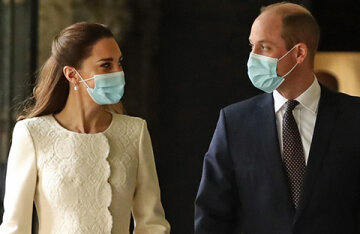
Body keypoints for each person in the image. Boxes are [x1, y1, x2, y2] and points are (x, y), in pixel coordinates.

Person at [195, 2, 360, 234]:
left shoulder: (354, 118)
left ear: (299, 53)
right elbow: (212, 215)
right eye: (252, 46)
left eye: (264, 47)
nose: (252, 58)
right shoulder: (234, 123)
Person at [0, 22, 170, 234]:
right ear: (72, 75)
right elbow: (14, 228)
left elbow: (152, 224)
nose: (118, 72)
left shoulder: (135, 132)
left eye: (119, 63)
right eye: (106, 65)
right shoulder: (32, 134)